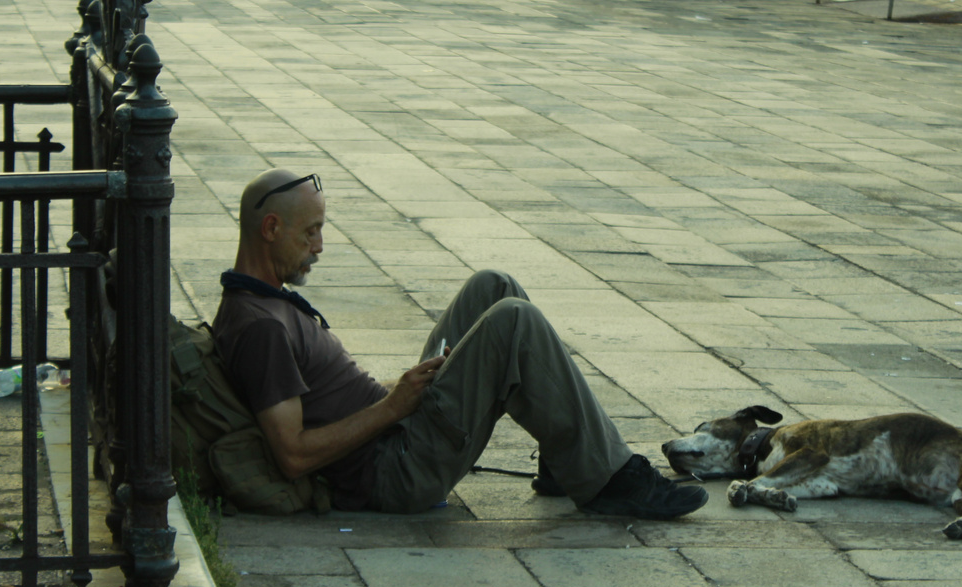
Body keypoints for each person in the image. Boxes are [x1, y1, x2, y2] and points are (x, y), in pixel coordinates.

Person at [212, 169, 709, 519]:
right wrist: (393, 406)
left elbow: (327, 395)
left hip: (397, 426)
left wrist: (398, 392)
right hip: (394, 471)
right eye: (311, 233)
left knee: (494, 286)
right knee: (514, 320)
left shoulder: (266, 299)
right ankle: (610, 482)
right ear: (271, 229)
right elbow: (293, 456)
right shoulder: (261, 327)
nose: (320, 246)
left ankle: (566, 462)